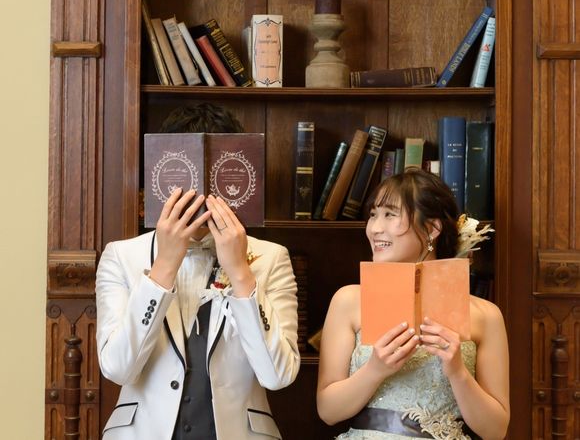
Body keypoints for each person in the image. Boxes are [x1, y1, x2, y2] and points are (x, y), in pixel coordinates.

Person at [96, 103, 300, 439]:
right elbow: (118, 368)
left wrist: (240, 273)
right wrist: (163, 267)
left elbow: (278, 375)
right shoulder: (122, 256)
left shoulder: (271, 257)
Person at [316, 168, 510, 439]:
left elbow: (496, 430)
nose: (375, 228)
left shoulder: (486, 315)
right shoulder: (348, 300)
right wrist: (374, 370)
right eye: (373, 214)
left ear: (431, 229)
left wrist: (457, 372)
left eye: (390, 215)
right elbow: (328, 411)